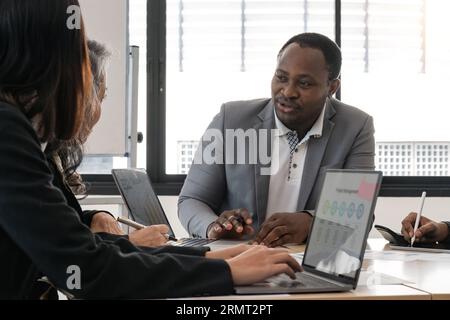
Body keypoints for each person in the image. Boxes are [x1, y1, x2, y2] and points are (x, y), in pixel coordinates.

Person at [0, 0, 301, 299]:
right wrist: (227, 272)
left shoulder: (19, 130)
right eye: (76, 48)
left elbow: (89, 249)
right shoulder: (7, 129)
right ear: (51, 50)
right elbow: (85, 266)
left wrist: (211, 259)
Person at [178, 32, 375, 247]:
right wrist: (213, 227)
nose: (288, 92)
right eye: (281, 78)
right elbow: (192, 200)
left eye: (305, 83)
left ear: (332, 88)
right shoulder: (231, 120)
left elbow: (360, 214)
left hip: (307, 266)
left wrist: (311, 223)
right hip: (239, 261)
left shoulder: (355, 127)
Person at [47, 39, 170, 248]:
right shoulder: (31, 158)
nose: (98, 113)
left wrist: (94, 217)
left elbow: (56, 223)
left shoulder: (52, 156)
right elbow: (56, 250)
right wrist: (128, 242)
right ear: (79, 96)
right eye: (100, 98)